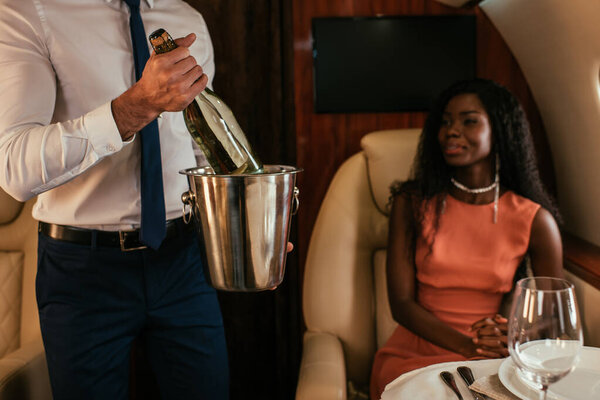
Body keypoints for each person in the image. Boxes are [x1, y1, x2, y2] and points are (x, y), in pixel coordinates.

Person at [0, 0, 229, 398]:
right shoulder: (24, 13)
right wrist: (134, 107)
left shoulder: (185, 18)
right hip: (82, 272)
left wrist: (244, 236)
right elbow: (13, 169)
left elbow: (199, 149)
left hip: (182, 260)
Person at [370, 79, 564, 399]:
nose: (451, 131)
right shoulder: (412, 202)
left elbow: (552, 315)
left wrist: (511, 336)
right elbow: (401, 305)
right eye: (445, 121)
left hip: (493, 355)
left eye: (469, 120)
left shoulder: (535, 219)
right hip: (414, 352)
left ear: (499, 130)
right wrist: (466, 345)